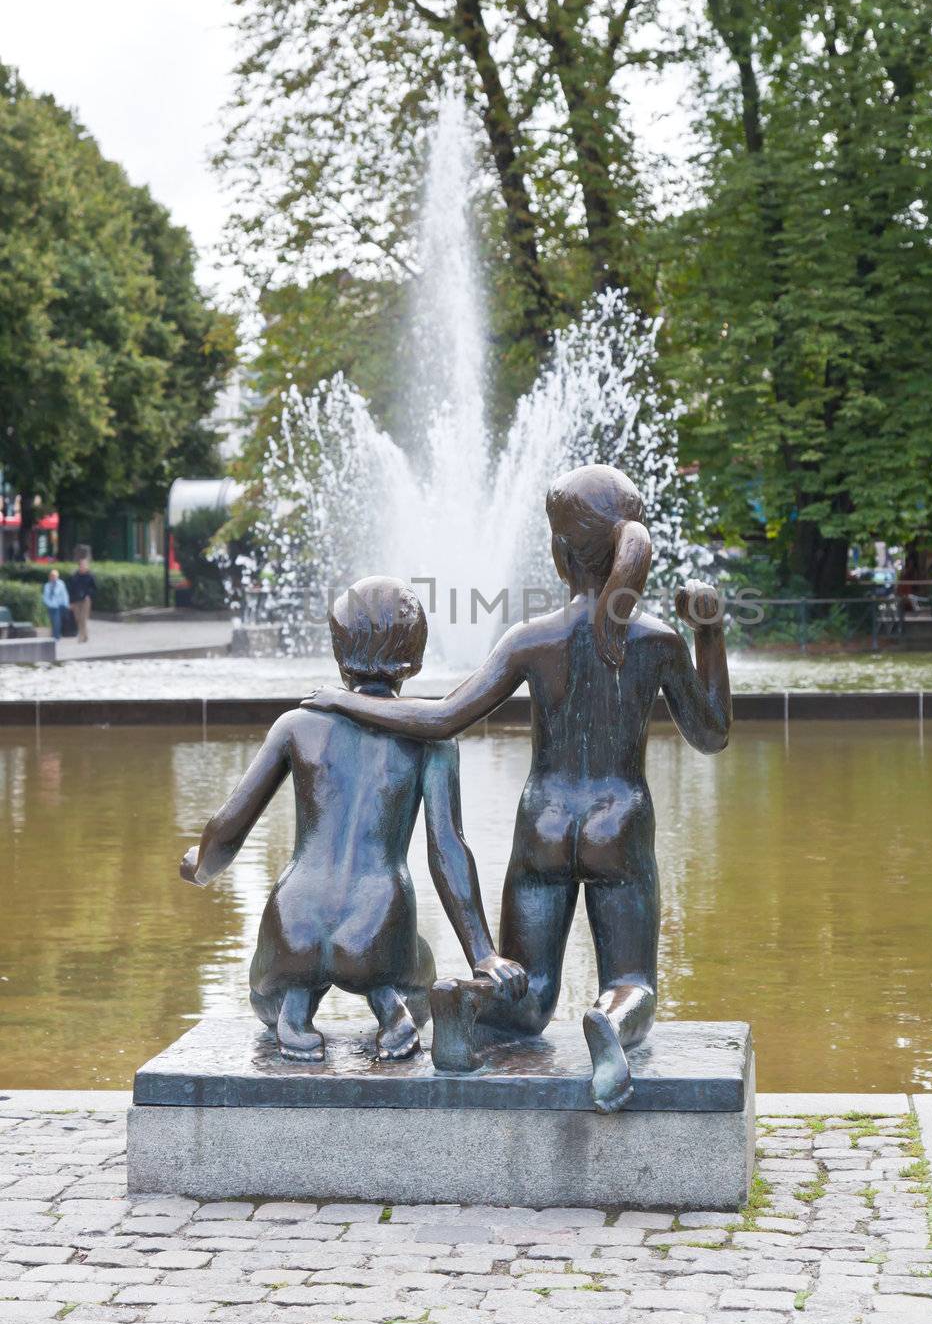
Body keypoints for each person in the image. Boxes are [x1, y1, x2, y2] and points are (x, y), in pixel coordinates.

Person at [303, 464, 731, 1112]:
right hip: (618, 823)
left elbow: (440, 717)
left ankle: (467, 1001)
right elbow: (711, 734)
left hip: (544, 826)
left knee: (525, 1001)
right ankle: (609, 1024)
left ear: (560, 554)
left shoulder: (531, 639)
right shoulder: (659, 641)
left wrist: (346, 701)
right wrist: (710, 633)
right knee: (631, 980)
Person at [181, 575, 526, 1063]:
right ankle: (389, 1007)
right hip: (377, 921)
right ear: (418, 656)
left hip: (292, 919)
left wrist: (202, 866)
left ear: (338, 651)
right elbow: (447, 848)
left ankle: (296, 1010)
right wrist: (481, 953)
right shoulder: (430, 740)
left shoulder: (297, 727)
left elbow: (230, 822)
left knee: (268, 997)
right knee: (418, 981)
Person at [66, 552, 97, 643]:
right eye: (82, 565)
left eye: (86, 565)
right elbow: (70, 589)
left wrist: (88, 594)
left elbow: (94, 588)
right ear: (79, 566)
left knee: (83, 618)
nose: (84, 566)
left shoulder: (90, 576)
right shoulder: (74, 576)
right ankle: (85, 635)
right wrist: (70, 602)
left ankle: (81, 637)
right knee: (78, 619)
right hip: (76, 600)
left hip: (85, 600)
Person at [41, 569, 69, 643]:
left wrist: (66, 604)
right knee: (53, 621)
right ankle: (54, 635)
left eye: (55, 576)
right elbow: (45, 596)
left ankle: (56, 637)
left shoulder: (61, 584)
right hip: (51, 606)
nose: (53, 577)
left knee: (57, 621)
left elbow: (64, 595)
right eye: (52, 576)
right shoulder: (47, 585)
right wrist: (48, 603)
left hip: (59, 606)